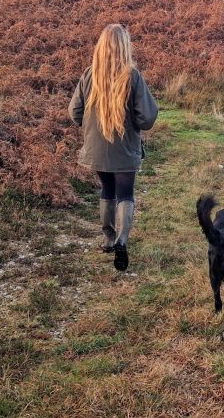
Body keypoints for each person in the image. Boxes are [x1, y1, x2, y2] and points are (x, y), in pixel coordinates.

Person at [69, 24, 158, 271]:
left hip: (96, 148)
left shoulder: (90, 74)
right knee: (125, 193)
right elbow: (147, 118)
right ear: (124, 47)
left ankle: (108, 238)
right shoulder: (132, 77)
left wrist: (88, 128)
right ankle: (122, 240)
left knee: (107, 189)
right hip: (125, 148)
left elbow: (74, 111)